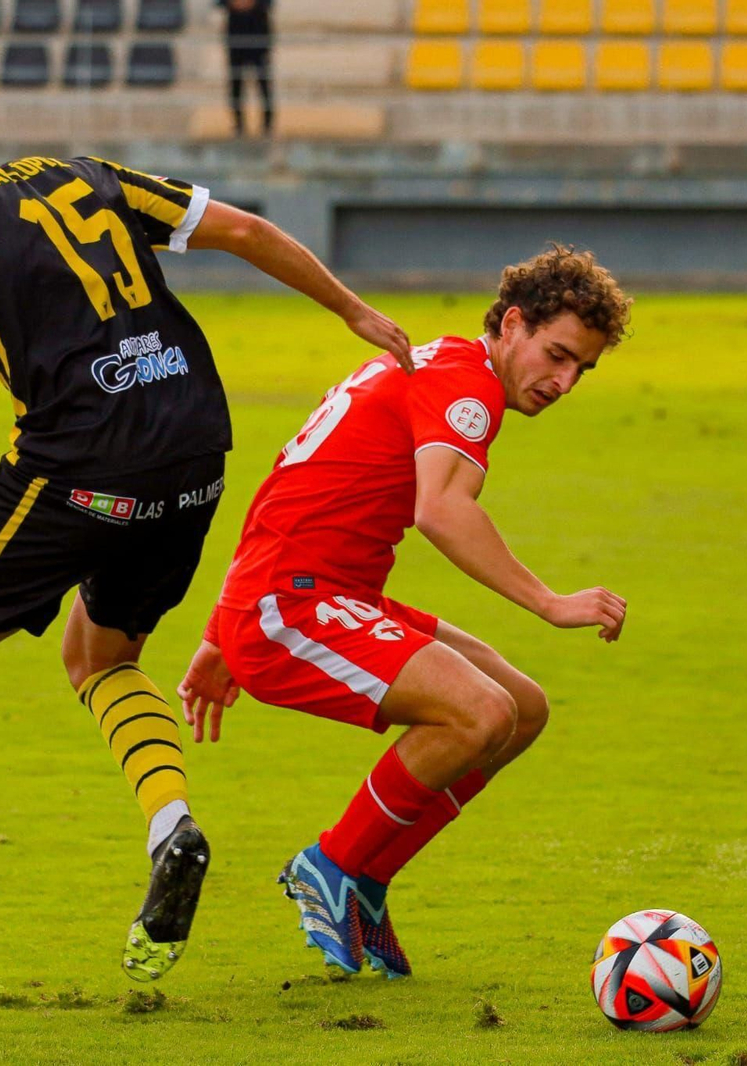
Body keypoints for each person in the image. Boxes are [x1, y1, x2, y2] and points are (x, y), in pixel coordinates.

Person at [0, 92, 411, 977]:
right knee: (101, 656)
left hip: (85, 456)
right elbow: (249, 231)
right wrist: (353, 312)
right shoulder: (85, 173)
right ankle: (170, 828)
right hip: (194, 447)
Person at [177, 246, 630, 977]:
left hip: (315, 594)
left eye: (583, 368)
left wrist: (217, 634)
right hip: (295, 600)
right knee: (477, 713)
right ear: (512, 324)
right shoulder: (468, 389)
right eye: (557, 355)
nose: (566, 381)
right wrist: (549, 601)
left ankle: (367, 883)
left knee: (522, 707)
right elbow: (442, 511)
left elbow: (293, 479)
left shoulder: (441, 362)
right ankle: (332, 863)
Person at [218, 0, 272, 137]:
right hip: (235, 32)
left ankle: (267, 125)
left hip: (258, 31)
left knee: (263, 82)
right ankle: (239, 125)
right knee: (236, 83)